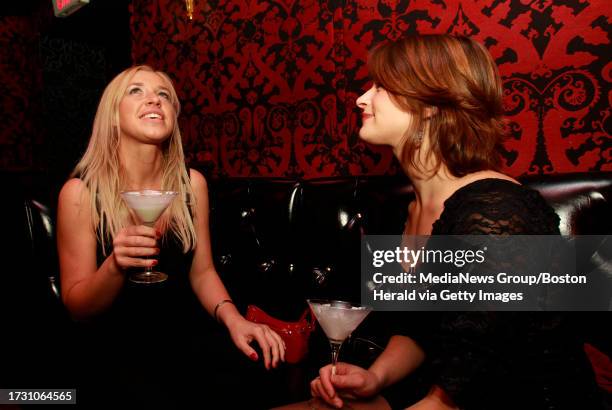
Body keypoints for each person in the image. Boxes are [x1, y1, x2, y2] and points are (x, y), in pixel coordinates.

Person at [276, 35, 601, 409]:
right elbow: (419, 327)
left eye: (380, 86)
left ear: (430, 104)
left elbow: (476, 381)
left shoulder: (495, 211)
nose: (361, 98)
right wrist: (376, 377)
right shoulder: (410, 208)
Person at [56, 65, 285, 406]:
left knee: (247, 376)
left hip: (183, 333)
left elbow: (203, 271)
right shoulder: (80, 193)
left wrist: (235, 320)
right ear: (113, 116)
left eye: (163, 94)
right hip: (115, 342)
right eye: (136, 91)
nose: (154, 98)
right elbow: (77, 308)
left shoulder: (192, 185)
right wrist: (116, 266)